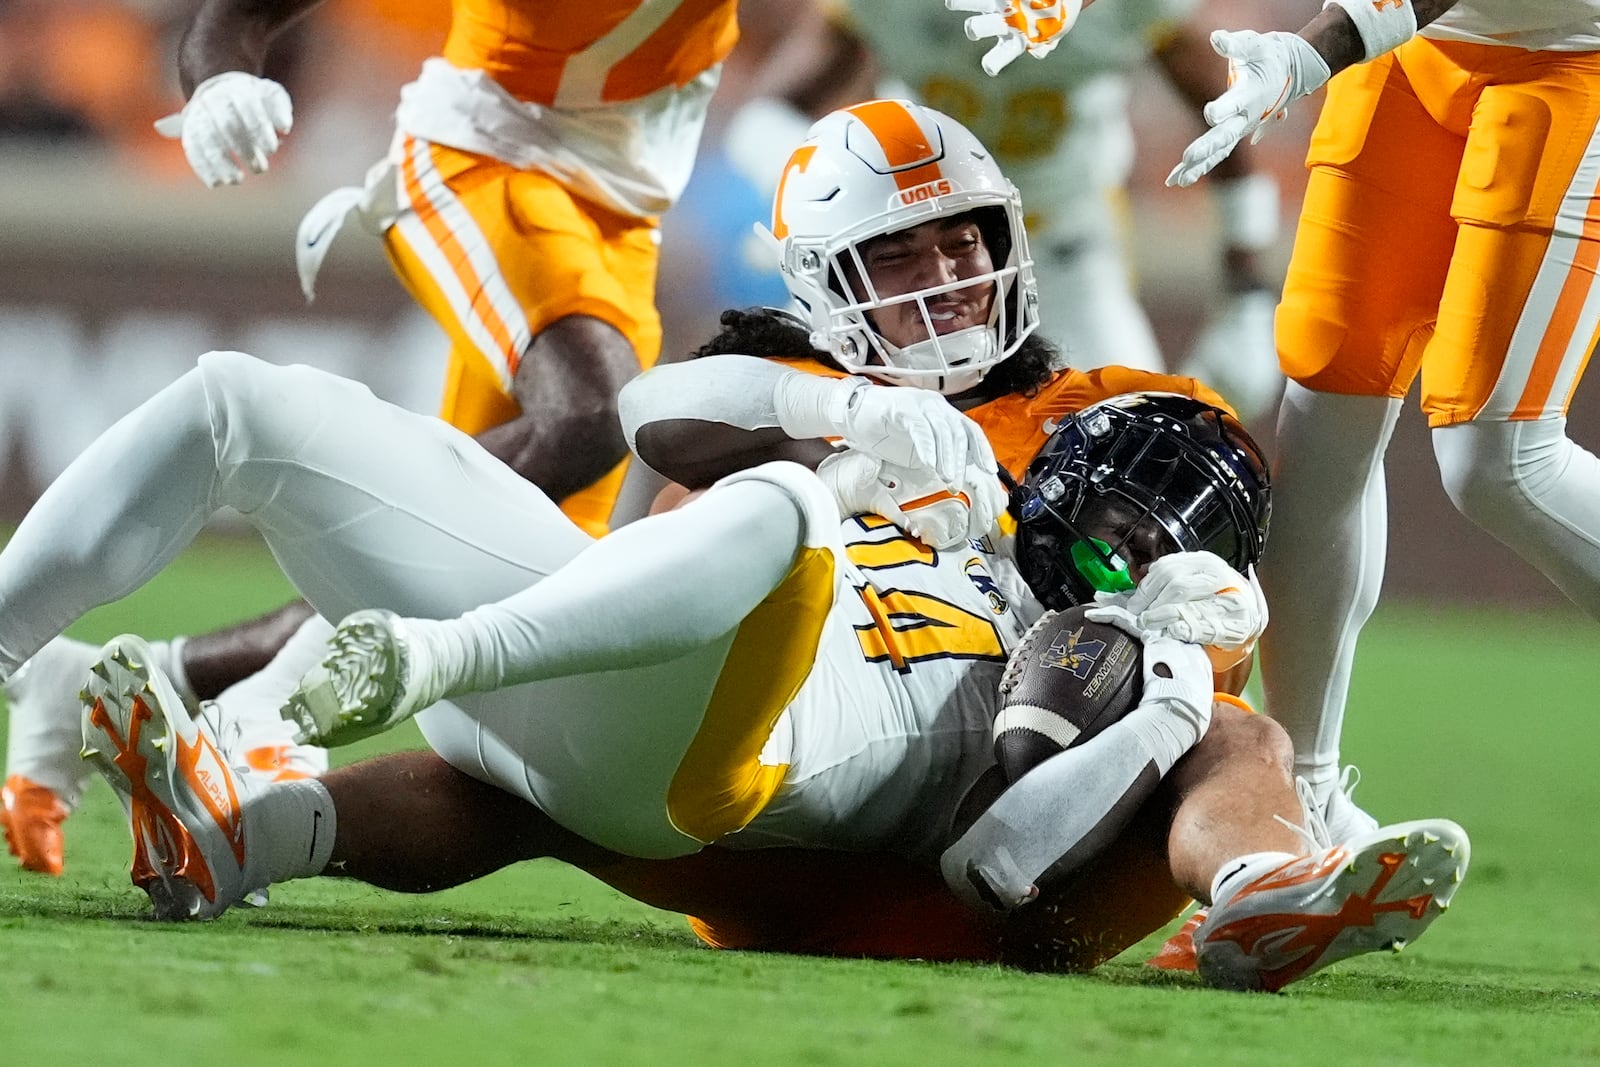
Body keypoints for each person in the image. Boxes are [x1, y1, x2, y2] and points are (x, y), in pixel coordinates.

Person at [0, 345, 1452, 992]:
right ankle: (198, 803)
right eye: (1117, 517)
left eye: (1169, 542)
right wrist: (846, 414)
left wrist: (1162, 675)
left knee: (784, 510)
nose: (1131, 553)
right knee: (243, 402)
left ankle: (407, 667)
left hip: (712, 759)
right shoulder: (950, 500)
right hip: (608, 676)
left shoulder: (1144, 666)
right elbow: (657, 411)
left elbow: (1008, 850)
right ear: (1055, 481)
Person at [0, 0, 838, 872]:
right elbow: (239, 15)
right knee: (595, 414)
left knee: (517, 572)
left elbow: (816, 32)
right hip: (485, 153)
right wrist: (219, 80)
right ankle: (264, 708)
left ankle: (138, 685)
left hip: (620, 212)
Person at [1158, 0, 1600, 838]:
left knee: (1501, 462)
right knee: (1324, 410)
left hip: (1572, 63)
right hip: (1410, 56)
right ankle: (1306, 800)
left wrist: (1310, 53)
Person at [723, 0, 1288, 418]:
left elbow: (1228, 112)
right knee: (850, 427)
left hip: (1062, 248)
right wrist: (803, 202)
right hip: (925, 255)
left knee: (1132, 435)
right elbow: (768, 117)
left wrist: (1247, 291)